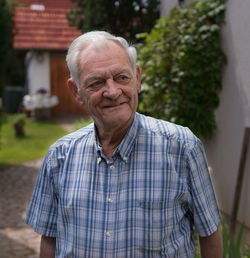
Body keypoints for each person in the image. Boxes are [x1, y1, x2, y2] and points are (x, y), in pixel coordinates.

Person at [25, 31, 223, 257]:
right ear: (76, 91)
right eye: (97, 82)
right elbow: (50, 240)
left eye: (122, 77)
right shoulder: (59, 156)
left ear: (137, 78)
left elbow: (209, 232)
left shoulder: (182, 147)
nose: (112, 91)